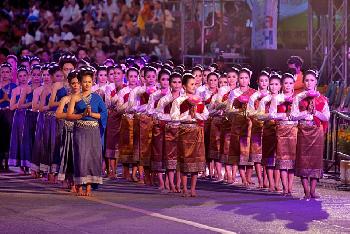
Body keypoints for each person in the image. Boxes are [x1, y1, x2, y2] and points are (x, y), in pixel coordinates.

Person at [67, 66, 107, 196]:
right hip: (80, 130)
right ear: (80, 82)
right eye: (84, 81)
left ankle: (89, 186)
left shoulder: (97, 98)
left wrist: (92, 114)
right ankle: (79, 185)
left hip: (93, 130)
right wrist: (82, 114)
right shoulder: (75, 97)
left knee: (92, 158)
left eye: (89, 82)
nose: (87, 84)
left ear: (92, 82)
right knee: (80, 157)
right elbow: (69, 115)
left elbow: (104, 114)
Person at [291, 69, 330, 199]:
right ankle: (306, 190)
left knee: (315, 161)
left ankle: (313, 190)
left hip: (316, 132)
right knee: (303, 160)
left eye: (312, 80)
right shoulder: (298, 97)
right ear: (303, 82)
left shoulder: (322, 99)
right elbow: (293, 116)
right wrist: (306, 113)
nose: (309, 83)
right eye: (306, 80)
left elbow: (326, 117)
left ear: (316, 82)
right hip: (303, 130)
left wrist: (315, 113)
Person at [170, 73, 209, 197]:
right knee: (184, 160)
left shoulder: (199, 100)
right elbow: (174, 117)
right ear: (184, 86)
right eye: (191, 84)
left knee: (196, 160)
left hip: (197, 131)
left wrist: (196, 115)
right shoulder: (178, 101)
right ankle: (184, 188)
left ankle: (193, 188)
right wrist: (187, 113)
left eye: (195, 84)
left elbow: (206, 115)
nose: (194, 86)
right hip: (184, 131)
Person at [225, 67, 256, 186]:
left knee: (250, 153)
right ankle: (243, 178)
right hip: (238, 125)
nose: (243, 80)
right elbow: (228, 110)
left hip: (250, 125)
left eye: (246, 78)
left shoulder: (254, 92)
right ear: (238, 79)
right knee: (240, 152)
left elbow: (257, 109)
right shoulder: (234, 92)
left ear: (249, 79)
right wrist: (238, 110)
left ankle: (248, 177)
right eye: (241, 78)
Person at [128, 66, 158, 184]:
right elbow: (131, 107)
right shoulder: (137, 91)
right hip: (141, 122)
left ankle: (151, 175)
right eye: (148, 77)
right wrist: (145, 107)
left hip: (154, 122)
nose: (151, 79)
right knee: (141, 149)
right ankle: (141, 176)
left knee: (153, 149)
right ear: (144, 78)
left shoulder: (159, 91)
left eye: (153, 77)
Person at [269, 70, 297, 196]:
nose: (288, 85)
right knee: (282, 161)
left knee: (292, 161)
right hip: (281, 130)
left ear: (293, 84)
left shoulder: (298, 98)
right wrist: (285, 115)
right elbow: (272, 114)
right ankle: (284, 187)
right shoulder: (277, 98)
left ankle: (290, 187)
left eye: (290, 83)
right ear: (282, 84)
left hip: (294, 131)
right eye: (285, 83)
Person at [156, 71, 182, 192]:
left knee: (180, 158)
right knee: (170, 158)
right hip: (169, 130)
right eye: (174, 82)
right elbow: (158, 114)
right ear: (170, 84)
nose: (177, 85)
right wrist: (171, 118)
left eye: (179, 82)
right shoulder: (165, 99)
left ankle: (178, 183)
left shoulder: (185, 98)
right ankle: (171, 183)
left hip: (182, 131)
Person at [257, 71, 282, 192]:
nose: (273, 87)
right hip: (268, 129)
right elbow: (259, 116)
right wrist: (270, 116)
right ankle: (271, 183)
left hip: (282, 130)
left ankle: (277, 183)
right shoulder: (264, 99)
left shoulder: (283, 99)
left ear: (280, 86)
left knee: (279, 158)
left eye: (276, 84)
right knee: (269, 157)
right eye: (271, 84)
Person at [56, 70, 81, 192]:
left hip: (82, 131)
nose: (75, 85)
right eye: (73, 83)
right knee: (69, 156)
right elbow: (58, 114)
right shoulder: (65, 99)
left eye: (78, 83)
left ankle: (79, 182)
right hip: (69, 130)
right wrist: (71, 115)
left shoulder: (85, 98)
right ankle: (69, 180)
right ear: (69, 84)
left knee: (80, 157)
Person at [247, 69, 270, 188]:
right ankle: (260, 180)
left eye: (266, 80)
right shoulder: (253, 97)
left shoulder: (272, 96)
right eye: (261, 80)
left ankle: (266, 179)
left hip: (268, 128)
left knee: (267, 155)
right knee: (257, 156)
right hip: (256, 127)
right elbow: (249, 112)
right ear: (257, 82)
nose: (264, 83)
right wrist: (258, 115)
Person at [149, 69, 171, 190]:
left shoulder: (174, 95)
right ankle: (161, 181)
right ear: (159, 81)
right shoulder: (154, 95)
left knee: (170, 154)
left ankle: (169, 180)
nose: (166, 82)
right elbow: (149, 110)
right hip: (158, 127)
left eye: (168, 79)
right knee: (158, 153)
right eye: (163, 79)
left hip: (172, 128)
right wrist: (158, 114)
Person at [18, 64, 42, 174]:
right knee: (29, 141)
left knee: (39, 142)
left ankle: (39, 167)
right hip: (30, 116)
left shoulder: (44, 88)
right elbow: (20, 105)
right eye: (34, 75)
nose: (36, 77)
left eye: (39, 75)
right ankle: (29, 166)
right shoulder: (27, 88)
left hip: (40, 116)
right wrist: (32, 104)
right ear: (30, 75)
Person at [104, 64, 126, 178]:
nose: (116, 76)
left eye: (118, 73)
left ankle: (117, 170)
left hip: (123, 118)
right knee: (111, 143)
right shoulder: (109, 87)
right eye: (113, 74)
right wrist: (118, 95)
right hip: (112, 117)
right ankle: (111, 170)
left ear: (123, 75)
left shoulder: (126, 87)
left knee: (119, 144)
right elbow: (108, 103)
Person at [118, 66, 139, 181]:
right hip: (126, 120)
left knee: (136, 146)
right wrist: (129, 105)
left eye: (135, 76)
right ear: (127, 78)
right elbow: (119, 108)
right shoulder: (123, 91)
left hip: (138, 121)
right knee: (126, 146)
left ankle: (134, 173)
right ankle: (126, 172)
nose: (133, 78)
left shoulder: (140, 90)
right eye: (131, 76)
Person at [31, 64, 51, 177]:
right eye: (44, 75)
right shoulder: (38, 90)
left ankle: (49, 170)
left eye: (48, 74)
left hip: (53, 118)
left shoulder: (55, 88)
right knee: (39, 143)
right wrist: (48, 106)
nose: (46, 77)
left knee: (51, 143)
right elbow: (34, 107)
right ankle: (35, 168)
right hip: (42, 118)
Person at [8, 66, 30, 173]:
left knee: (29, 139)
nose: (23, 78)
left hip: (30, 116)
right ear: (17, 78)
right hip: (20, 116)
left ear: (28, 76)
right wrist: (21, 104)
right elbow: (11, 107)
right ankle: (21, 165)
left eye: (24, 75)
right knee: (20, 139)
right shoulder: (15, 90)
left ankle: (30, 164)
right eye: (20, 76)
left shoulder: (32, 89)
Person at [207, 73, 228, 182]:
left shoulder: (232, 95)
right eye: (221, 83)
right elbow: (209, 112)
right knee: (216, 147)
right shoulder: (215, 97)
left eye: (225, 82)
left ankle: (229, 174)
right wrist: (217, 110)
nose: (223, 84)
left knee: (226, 148)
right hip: (216, 122)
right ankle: (218, 172)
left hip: (228, 123)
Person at [0, 62, 17, 171]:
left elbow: (17, 102)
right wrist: (3, 99)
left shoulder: (14, 86)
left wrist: (8, 100)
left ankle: (7, 161)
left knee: (8, 136)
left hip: (10, 113)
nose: (5, 74)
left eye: (7, 72)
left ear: (11, 74)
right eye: (3, 72)